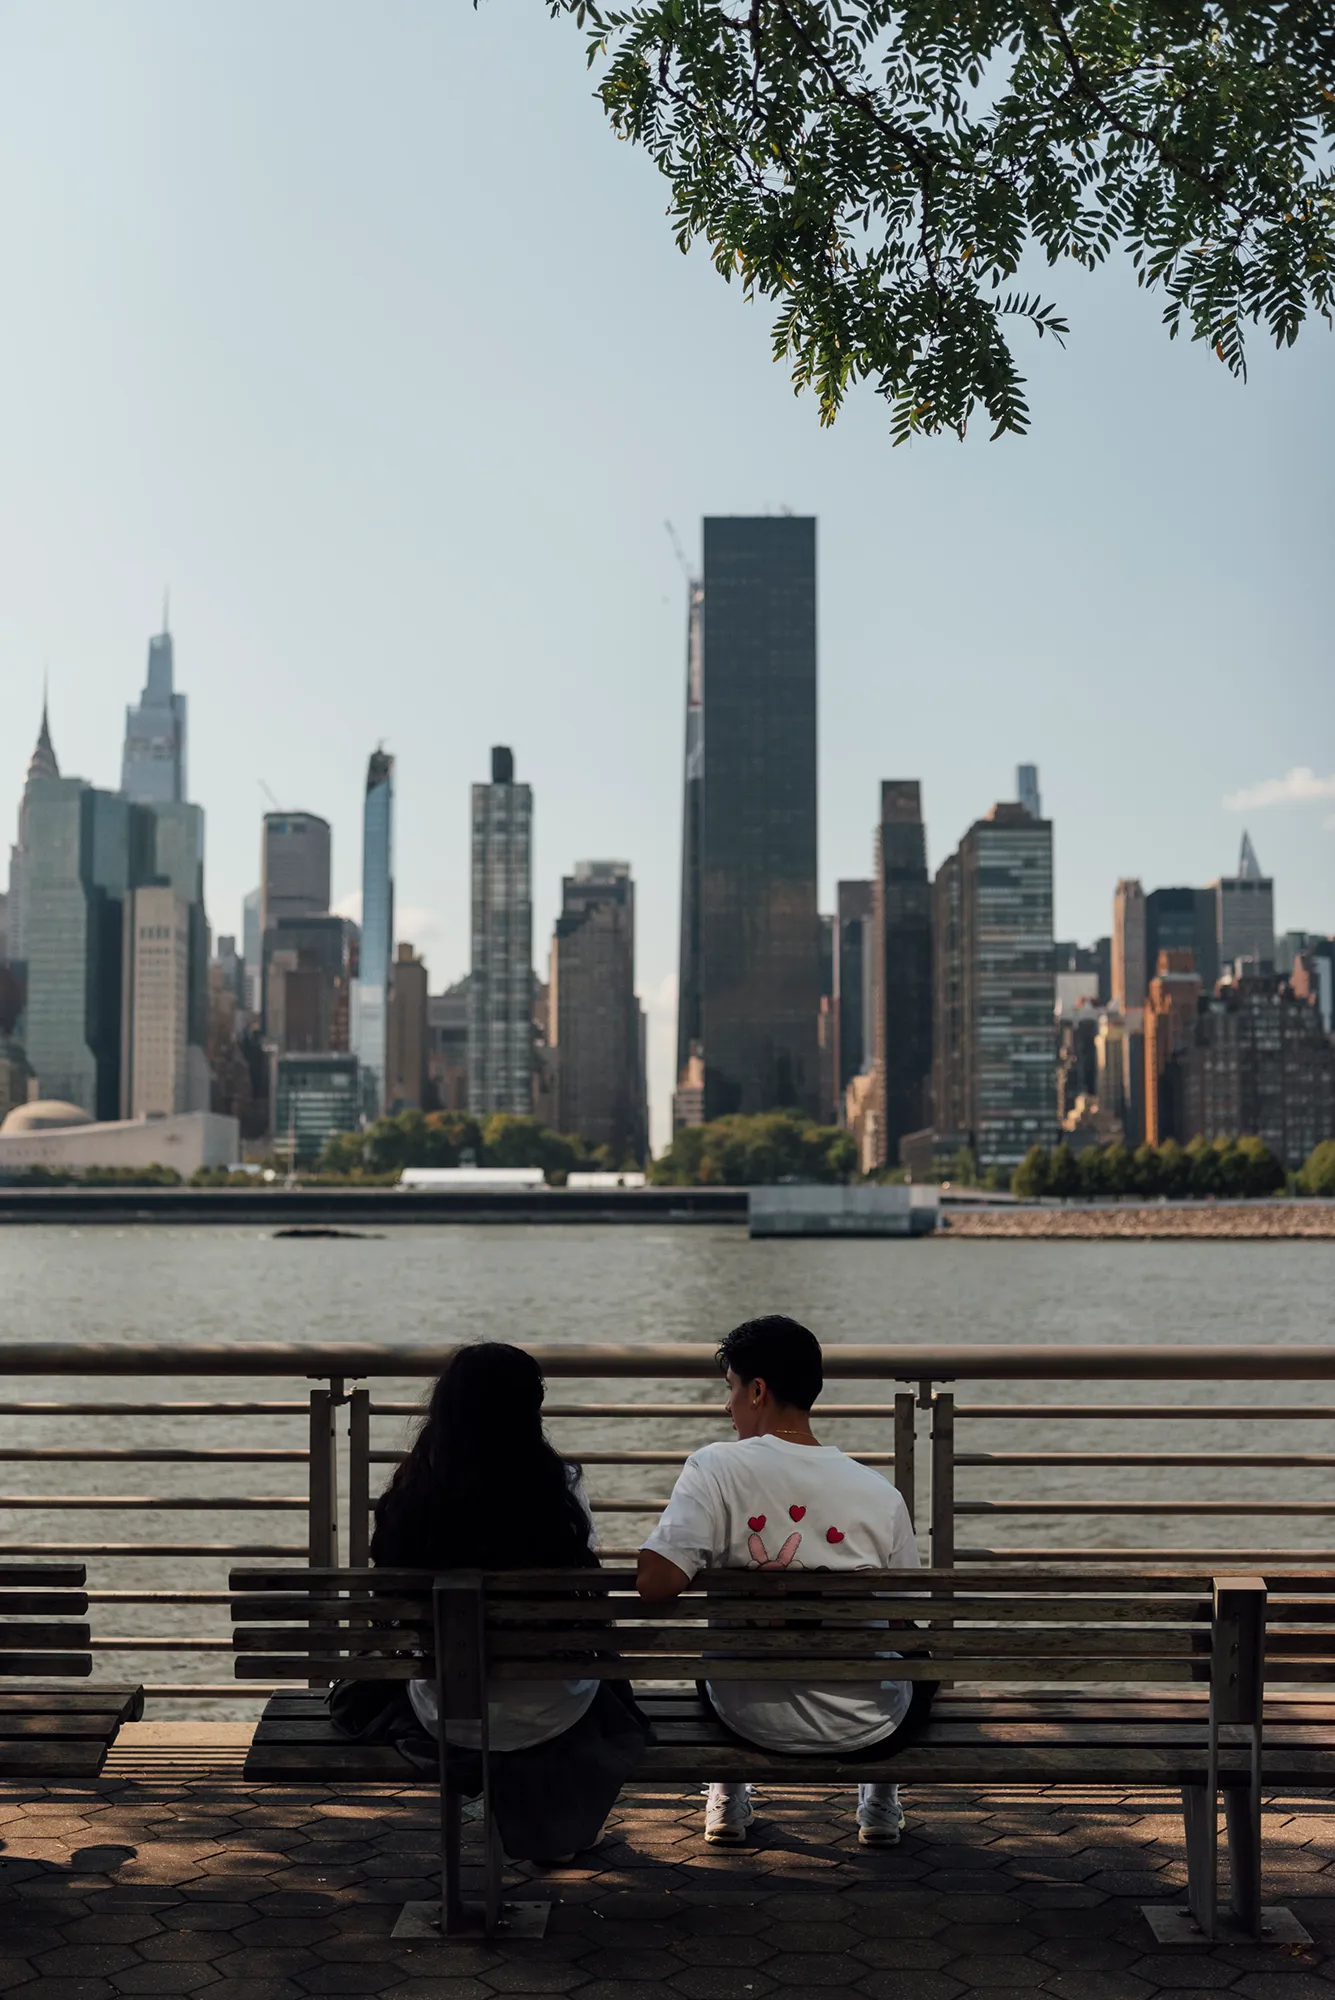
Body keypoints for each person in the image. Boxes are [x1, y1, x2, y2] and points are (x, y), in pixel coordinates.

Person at [637, 1314, 928, 1849]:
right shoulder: (879, 1492)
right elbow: (904, 1620)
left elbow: (655, 1584)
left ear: (757, 1390)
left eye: (730, 1390)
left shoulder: (713, 1468)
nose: (727, 1407)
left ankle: (726, 1797)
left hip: (745, 1718)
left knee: (717, 1652)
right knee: (918, 1660)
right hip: (865, 1727)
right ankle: (879, 1804)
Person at [351, 1341, 649, 1861]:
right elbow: (590, 1610)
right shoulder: (559, 1489)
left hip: (446, 1712)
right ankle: (556, 1826)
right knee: (604, 1679)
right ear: (530, 1410)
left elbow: (389, 1611)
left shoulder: (413, 1495)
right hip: (550, 1709)